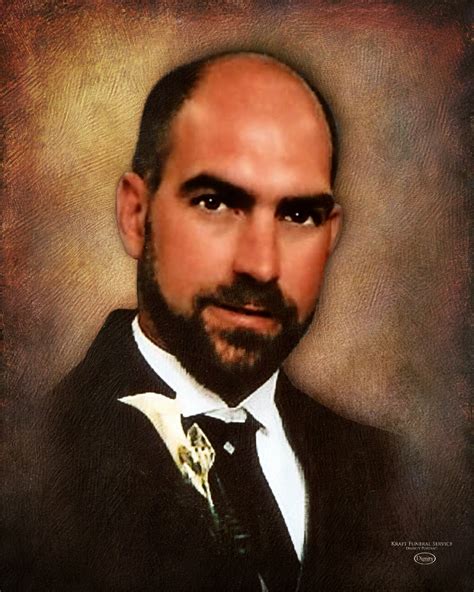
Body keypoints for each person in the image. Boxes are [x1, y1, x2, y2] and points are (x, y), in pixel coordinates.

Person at [4, 51, 418, 591]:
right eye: (215, 202)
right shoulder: (25, 473)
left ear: (330, 235)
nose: (261, 265)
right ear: (136, 215)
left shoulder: (398, 478)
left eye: (298, 215)